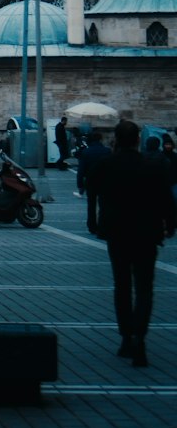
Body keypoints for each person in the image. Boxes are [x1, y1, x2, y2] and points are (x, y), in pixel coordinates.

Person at [86, 119, 175, 367]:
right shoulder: (154, 165)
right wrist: (170, 224)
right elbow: (166, 198)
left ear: (116, 139)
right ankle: (140, 338)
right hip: (147, 232)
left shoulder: (105, 164)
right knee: (145, 288)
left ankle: (126, 336)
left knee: (122, 285)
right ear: (137, 140)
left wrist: (92, 222)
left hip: (117, 232)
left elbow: (92, 193)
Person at [75, 128, 110, 198]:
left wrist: (80, 185)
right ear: (101, 139)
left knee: (91, 203)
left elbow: (81, 170)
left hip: (90, 180)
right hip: (104, 180)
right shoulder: (107, 151)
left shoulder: (86, 152)